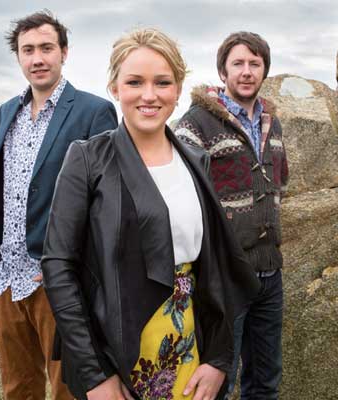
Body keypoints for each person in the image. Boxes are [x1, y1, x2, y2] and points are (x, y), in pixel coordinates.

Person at [41, 28, 260, 400]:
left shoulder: (196, 161)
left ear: (178, 89)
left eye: (162, 82)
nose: (149, 95)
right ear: (114, 87)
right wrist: (96, 376)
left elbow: (216, 266)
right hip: (116, 352)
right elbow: (59, 266)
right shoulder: (87, 160)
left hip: (190, 347)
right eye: (134, 82)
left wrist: (218, 359)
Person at [0, 10, 117, 400]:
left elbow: (105, 202)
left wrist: (71, 266)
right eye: (27, 50)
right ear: (18, 57)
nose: (37, 58)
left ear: (64, 52)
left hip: (57, 280)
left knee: (68, 389)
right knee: (18, 388)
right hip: (6, 278)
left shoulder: (93, 111)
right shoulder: (7, 111)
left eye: (46, 48)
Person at [175, 32, 288, 399]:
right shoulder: (196, 123)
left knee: (265, 382)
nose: (246, 71)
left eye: (255, 64)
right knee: (217, 383)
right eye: (237, 63)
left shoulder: (273, 123)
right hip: (224, 277)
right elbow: (180, 193)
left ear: (264, 70)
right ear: (222, 71)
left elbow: (280, 182)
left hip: (269, 273)